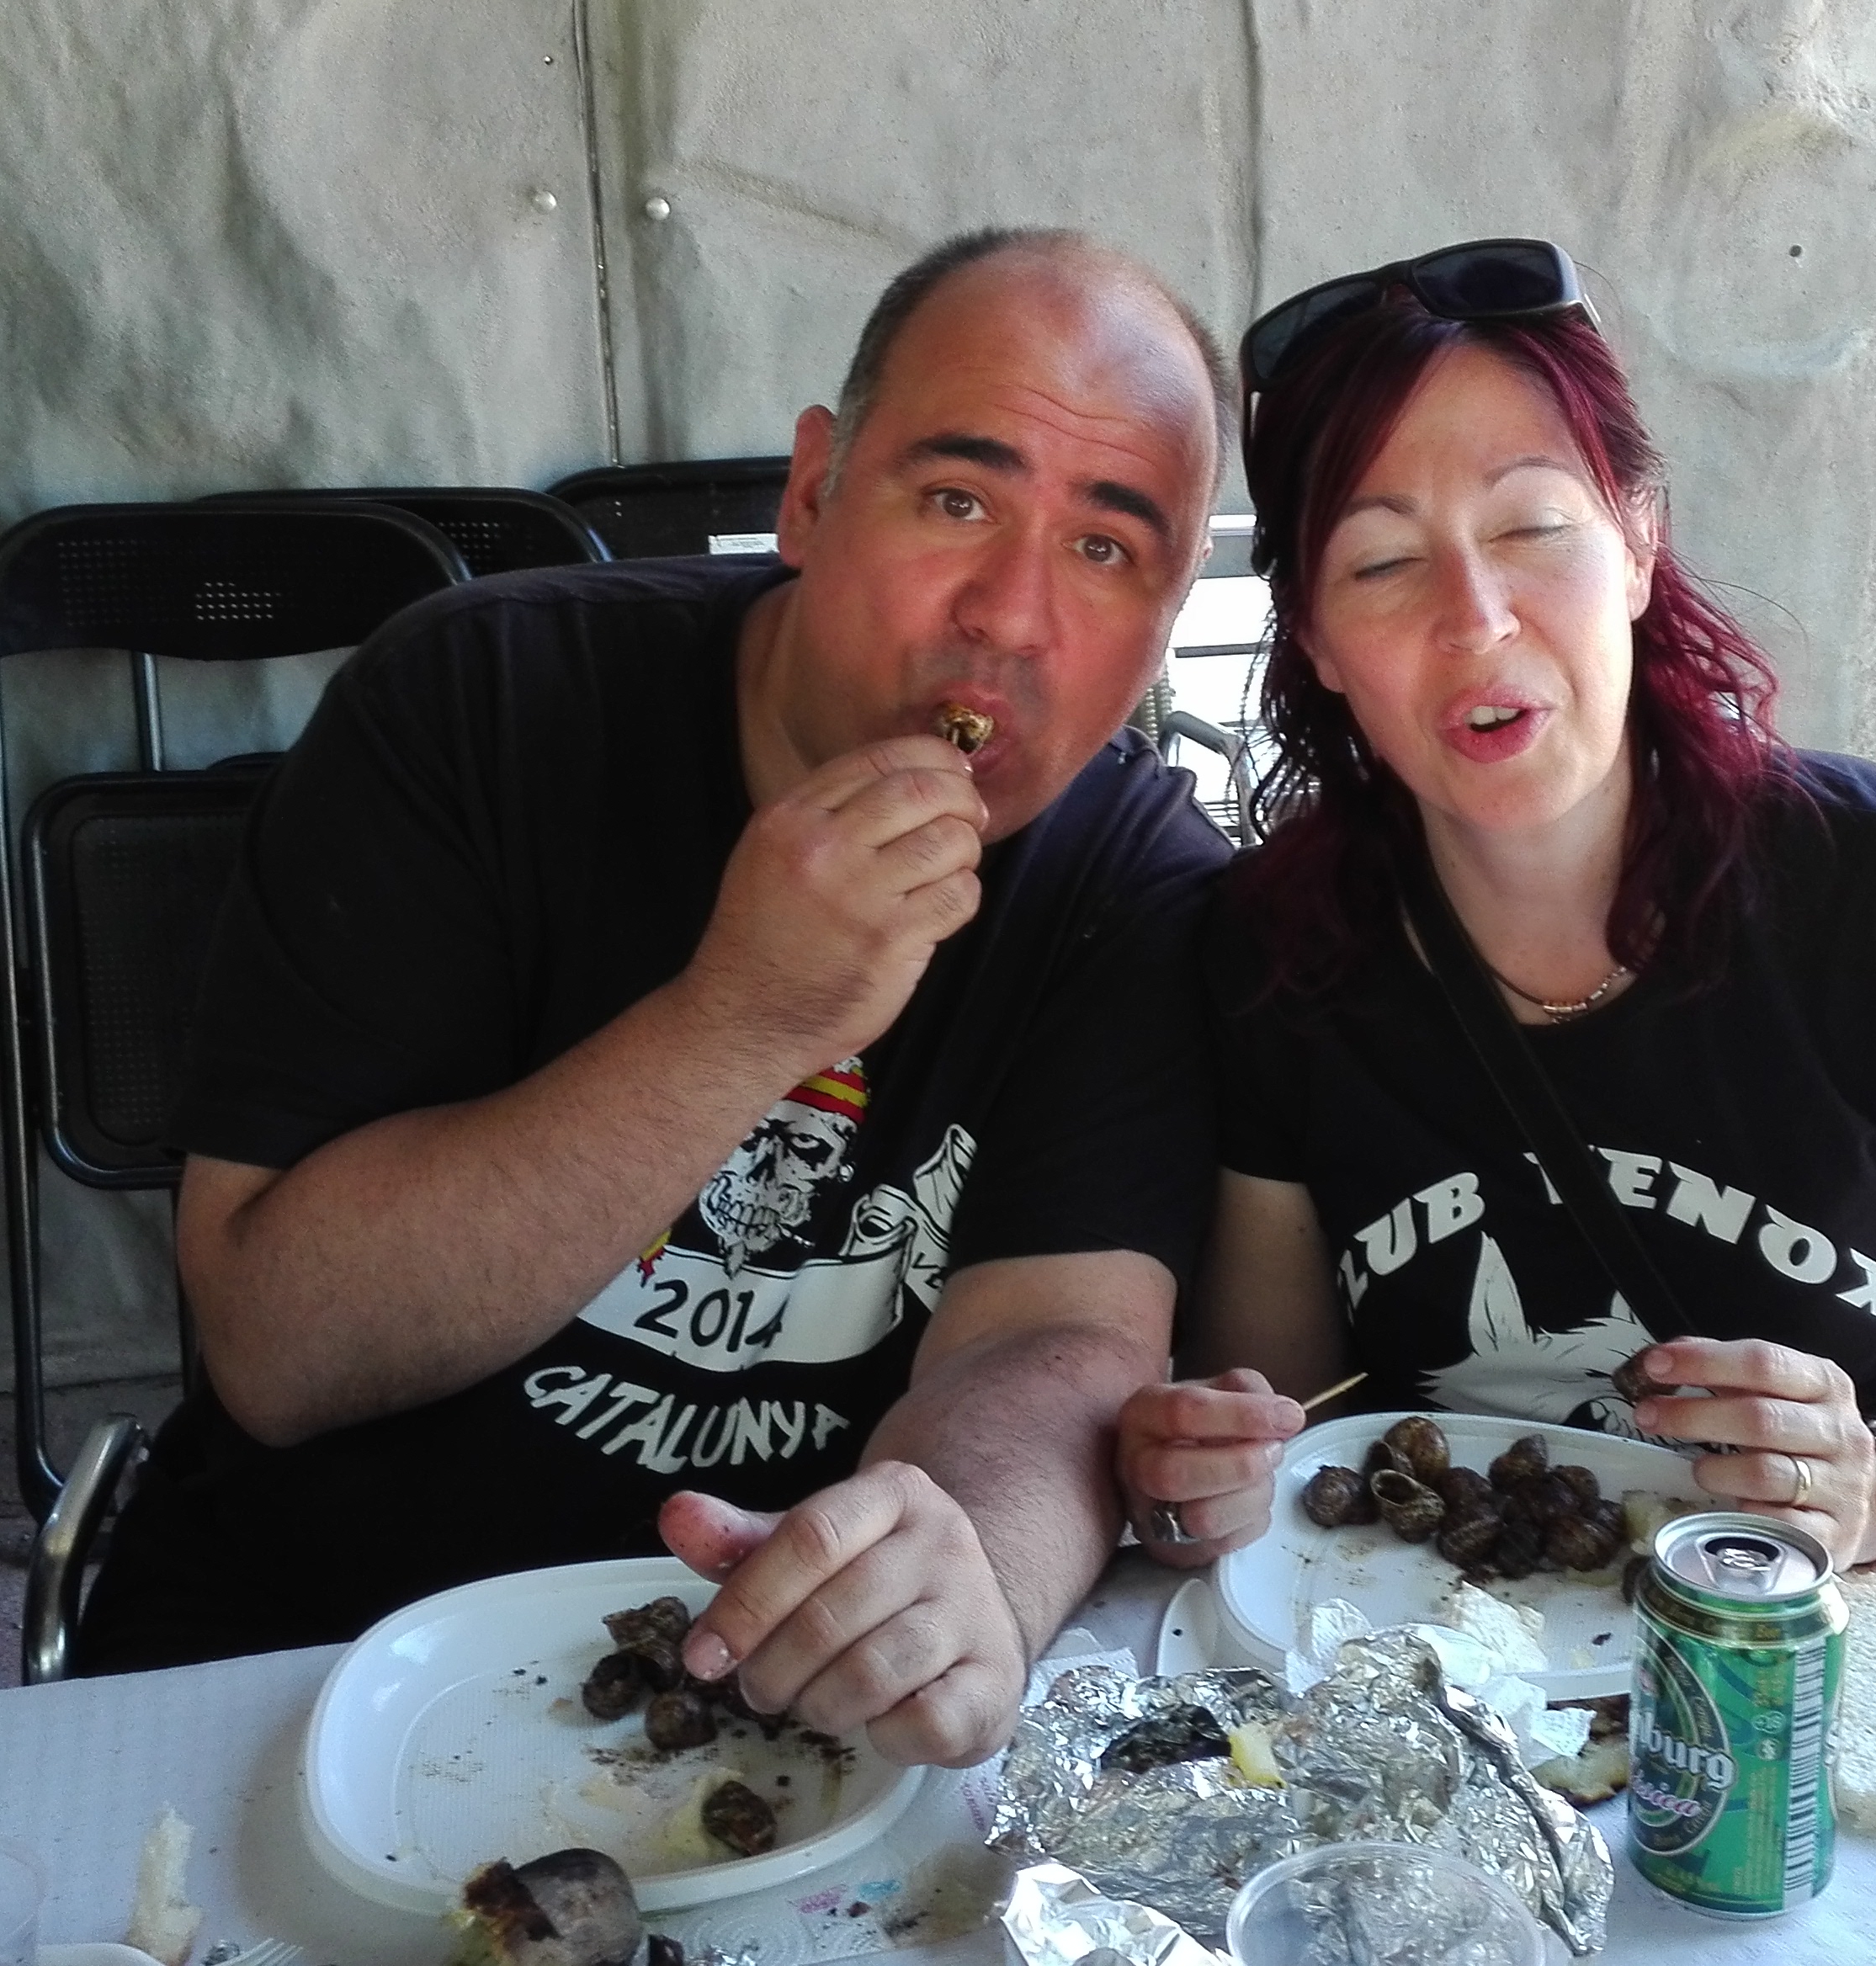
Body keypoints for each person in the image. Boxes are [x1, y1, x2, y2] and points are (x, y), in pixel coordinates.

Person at [74, 229, 1234, 1767]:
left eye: (1105, 551)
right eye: (957, 501)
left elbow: (1058, 1342)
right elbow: (281, 1355)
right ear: (812, 493)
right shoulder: (478, 704)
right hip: (311, 1662)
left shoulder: (1137, 886)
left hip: (785, 1710)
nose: (1011, 617)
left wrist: (966, 1580)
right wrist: (744, 1017)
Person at [1112, 240, 1876, 1591]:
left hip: (1822, 1645)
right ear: (1317, 644)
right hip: (1452, 1647)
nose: (1476, 620)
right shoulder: (1278, 950)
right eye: (1384, 562)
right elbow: (1285, 1415)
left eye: (1533, 529)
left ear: (1638, 540)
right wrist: (1204, 1472)